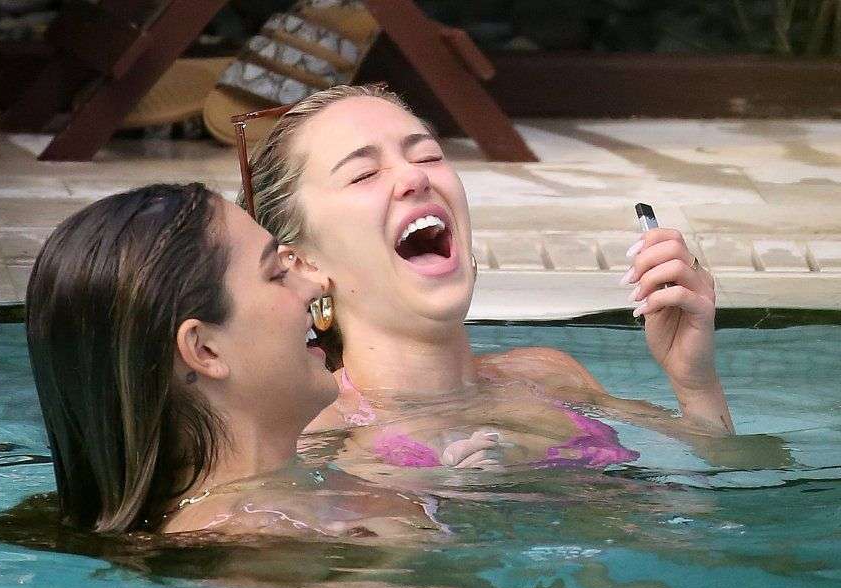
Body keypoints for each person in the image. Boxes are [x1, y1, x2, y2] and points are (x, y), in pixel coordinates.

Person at [244, 85, 736, 470]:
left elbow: (727, 477)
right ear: (304, 264)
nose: (415, 177)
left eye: (427, 156)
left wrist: (694, 382)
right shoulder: (309, 437)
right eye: (364, 174)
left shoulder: (551, 377)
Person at [25, 182, 443, 536]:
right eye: (277, 275)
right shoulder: (263, 546)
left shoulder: (291, 512)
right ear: (204, 350)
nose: (316, 284)